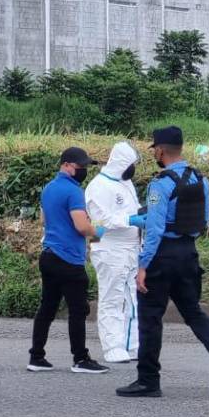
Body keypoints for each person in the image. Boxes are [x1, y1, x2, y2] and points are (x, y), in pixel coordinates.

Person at [116, 126, 209, 399]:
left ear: (161, 150)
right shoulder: (201, 179)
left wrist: (143, 266)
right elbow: (203, 220)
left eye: (155, 150)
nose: (155, 154)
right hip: (188, 254)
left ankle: (148, 380)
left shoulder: (160, 184)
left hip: (162, 255)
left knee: (150, 318)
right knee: (194, 314)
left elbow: (155, 230)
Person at [29, 147, 109, 374]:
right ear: (65, 165)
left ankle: (36, 356)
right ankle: (80, 359)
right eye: (79, 166)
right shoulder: (74, 191)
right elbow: (82, 226)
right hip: (68, 259)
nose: (83, 170)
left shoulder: (48, 188)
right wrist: (98, 231)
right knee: (78, 309)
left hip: (48, 255)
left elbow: (44, 219)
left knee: (47, 307)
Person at [84, 141, 141, 363]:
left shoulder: (126, 183)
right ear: (120, 163)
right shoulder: (98, 186)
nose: (133, 169)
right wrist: (131, 220)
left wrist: (142, 215)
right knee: (112, 298)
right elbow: (101, 220)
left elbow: (131, 209)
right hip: (110, 248)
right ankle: (112, 347)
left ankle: (132, 345)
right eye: (131, 164)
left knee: (133, 298)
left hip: (131, 248)